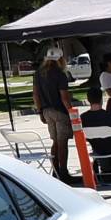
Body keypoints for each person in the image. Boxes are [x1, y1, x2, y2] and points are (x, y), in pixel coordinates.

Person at [34, 48, 76, 183]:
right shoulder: (60, 74)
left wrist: (40, 111)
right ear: (61, 59)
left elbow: (35, 95)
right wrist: (71, 112)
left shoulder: (38, 74)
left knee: (55, 142)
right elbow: (64, 97)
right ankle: (63, 172)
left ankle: (55, 171)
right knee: (62, 142)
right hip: (59, 110)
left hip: (46, 110)